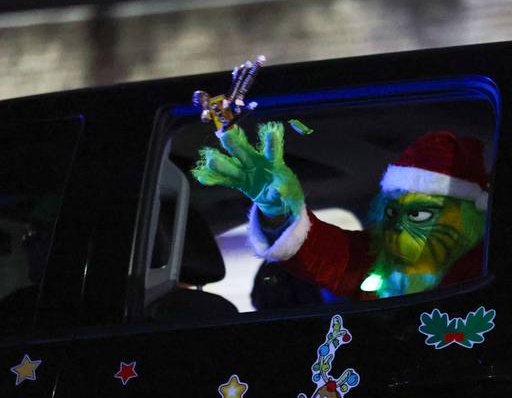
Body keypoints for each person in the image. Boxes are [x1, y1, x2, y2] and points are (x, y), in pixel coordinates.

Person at [193, 121, 488, 300]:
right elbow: (324, 252)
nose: (396, 228)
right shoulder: (376, 258)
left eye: (419, 215)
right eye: (390, 213)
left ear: (466, 218)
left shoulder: (484, 267)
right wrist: (279, 209)